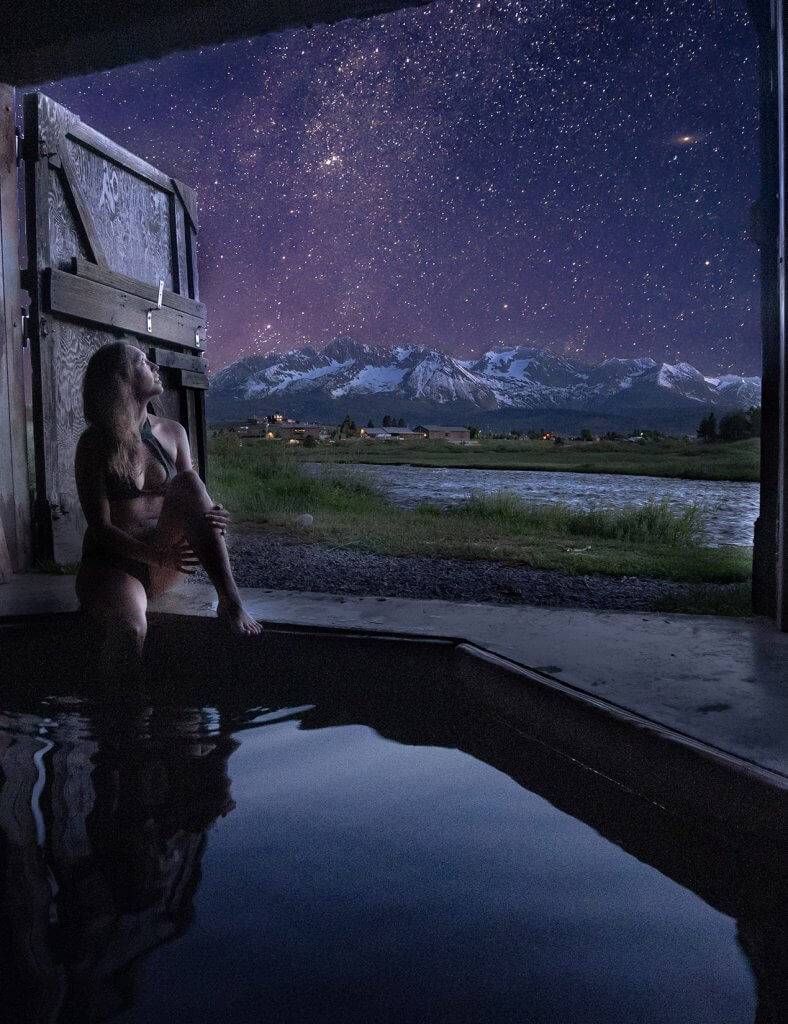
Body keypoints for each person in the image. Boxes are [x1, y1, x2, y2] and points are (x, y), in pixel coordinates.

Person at [75, 340, 261, 676]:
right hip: (114, 566)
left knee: (188, 482)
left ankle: (230, 602)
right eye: (144, 362)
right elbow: (99, 528)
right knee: (130, 631)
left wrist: (214, 511)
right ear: (121, 380)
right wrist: (154, 555)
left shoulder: (173, 432)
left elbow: (190, 494)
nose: (155, 368)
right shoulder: (93, 444)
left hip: (165, 561)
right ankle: (121, 718)